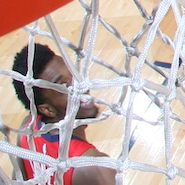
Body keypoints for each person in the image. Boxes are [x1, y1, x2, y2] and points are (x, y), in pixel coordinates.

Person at [10, 42, 117, 185]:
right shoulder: (95, 168)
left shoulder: (27, 130)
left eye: (73, 72)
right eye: (64, 85)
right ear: (47, 109)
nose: (79, 85)